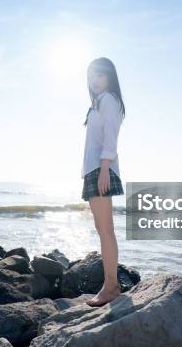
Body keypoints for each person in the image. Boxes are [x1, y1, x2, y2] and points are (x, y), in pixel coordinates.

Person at [81, 57, 126, 307]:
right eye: (91, 76)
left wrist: (105, 169)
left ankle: (111, 287)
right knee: (103, 230)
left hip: (101, 168)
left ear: (110, 76)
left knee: (106, 230)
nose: (94, 80)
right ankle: (110, 285)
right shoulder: (97, 102)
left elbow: (111, 137)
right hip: (94, 169)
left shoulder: (109, 100)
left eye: (99, 75)